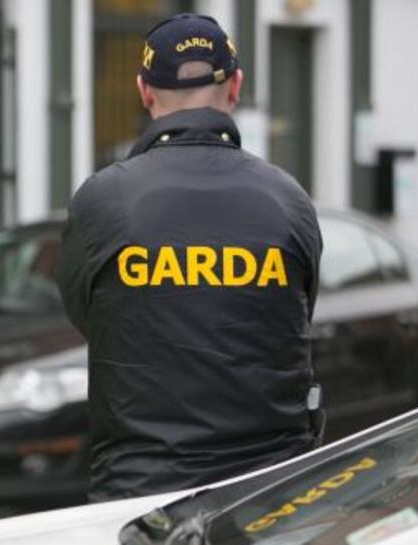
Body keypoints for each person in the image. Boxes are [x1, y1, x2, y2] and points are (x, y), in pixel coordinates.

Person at [56, 13, 323, 502]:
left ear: (144, 91)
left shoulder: (102, 201)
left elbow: (87, 314)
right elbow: (299, 311)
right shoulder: (287, 199)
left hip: (140, 497)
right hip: (270, 494)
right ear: (236, 85)